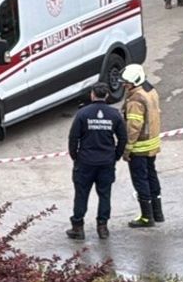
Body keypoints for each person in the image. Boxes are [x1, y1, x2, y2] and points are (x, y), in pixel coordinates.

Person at [66, 82, 127, 240]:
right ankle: (102, 227)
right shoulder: (114, 114)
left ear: (92, 95)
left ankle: (78, 227)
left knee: (81, 195)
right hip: (106, 162)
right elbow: (123, 138)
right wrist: (115, 155)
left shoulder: (83, 114)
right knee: (105, 195)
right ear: (106, 95)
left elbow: (73, 138)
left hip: (85, 162)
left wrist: (75, 156)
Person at [119, 64, 163, 228]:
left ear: (134, 82)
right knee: (151, 176)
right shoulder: (150, 90)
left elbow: (133, 127)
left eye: (126, 83)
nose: (124, 85)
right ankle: (157, 213)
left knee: (140, 180)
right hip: (152, 143)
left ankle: (146, 217)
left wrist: (127, 148)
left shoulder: (136, 100)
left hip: (139, 147)